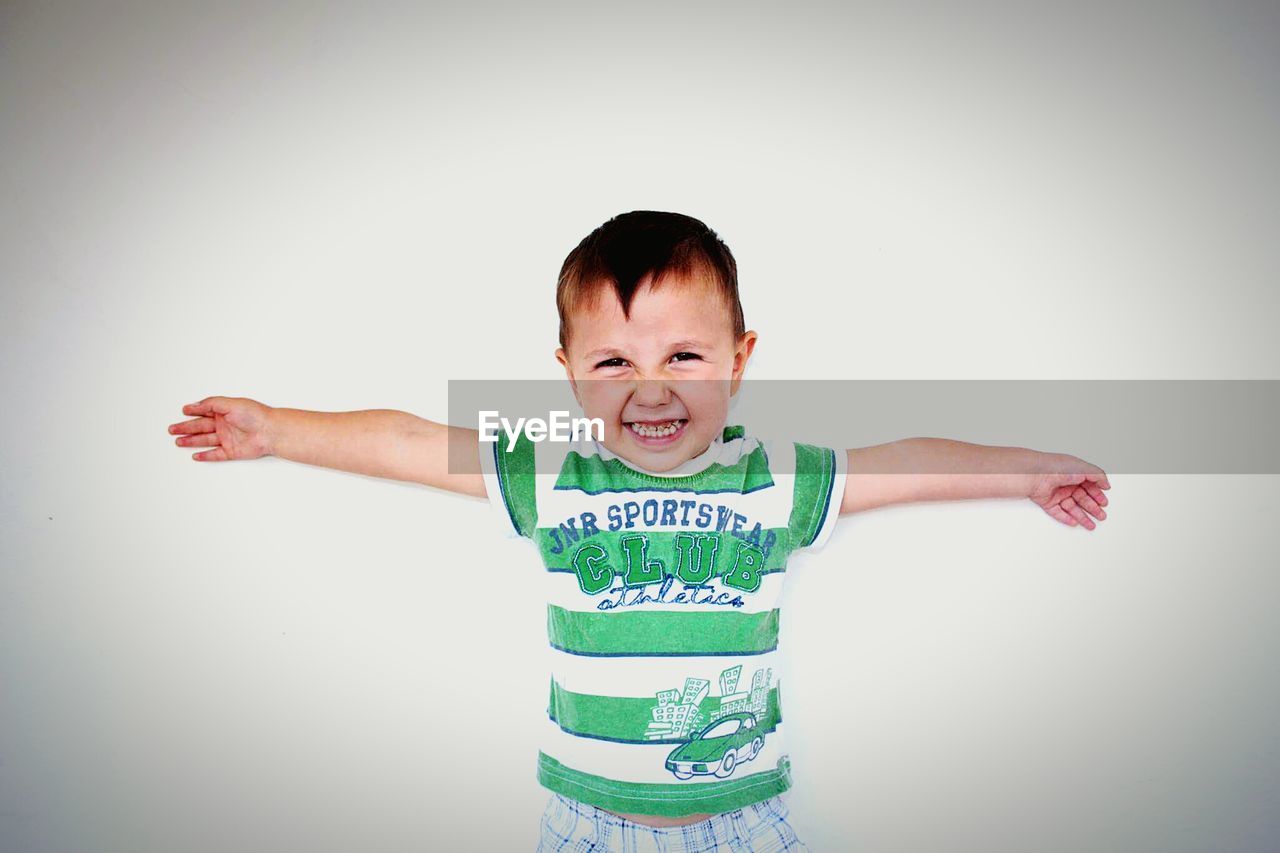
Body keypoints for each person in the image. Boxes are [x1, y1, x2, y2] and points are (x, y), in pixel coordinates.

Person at [167, 210, 1110, 851]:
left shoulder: (772, 479)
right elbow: (410, 439)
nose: (651, 388)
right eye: (614, 359)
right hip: (585, 820)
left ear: (739, 362)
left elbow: (904, 463)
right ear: (570, 374)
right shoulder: (553, 470)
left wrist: (1031, 471)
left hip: (740, 818)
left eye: (684, 355)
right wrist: (278, 428)